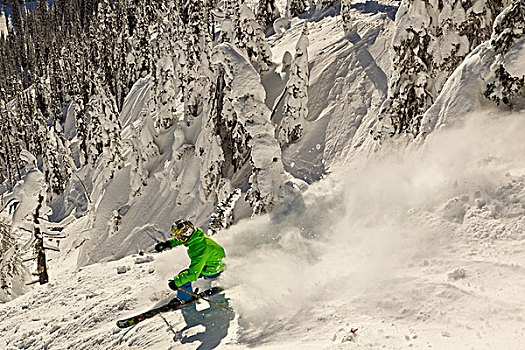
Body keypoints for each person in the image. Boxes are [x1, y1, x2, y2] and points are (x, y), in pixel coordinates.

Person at [155, 219, 226, 303]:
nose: (178, 238)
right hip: (217, 263)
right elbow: (186, 240)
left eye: (179, 236)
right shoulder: (197, 236)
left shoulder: (199, 249)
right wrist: (168, 244)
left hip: (212, 269)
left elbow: (193, 274)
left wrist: (176, 283)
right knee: (184, 276)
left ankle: (184, 299)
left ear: (187, 233)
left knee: (183, 278)